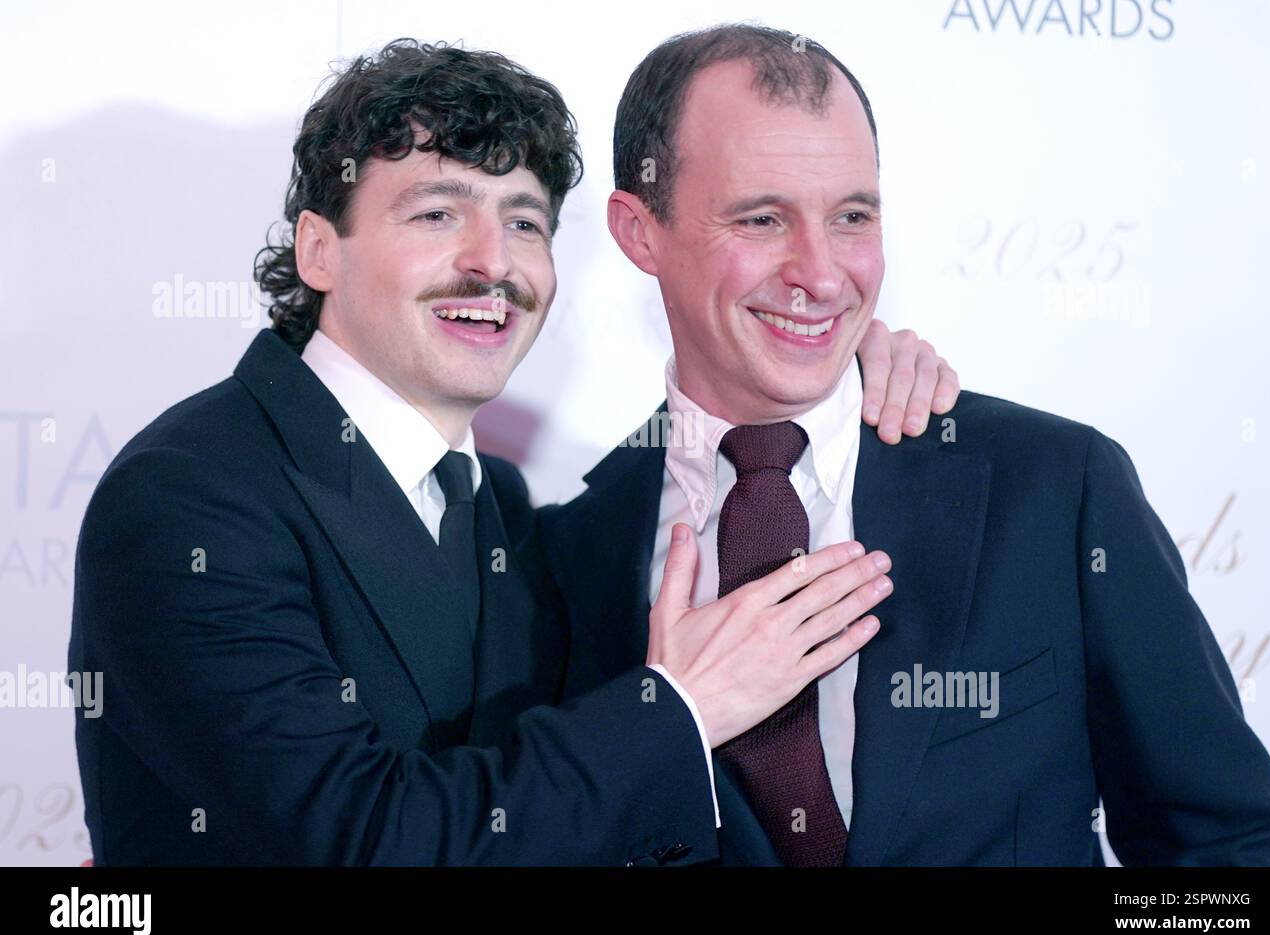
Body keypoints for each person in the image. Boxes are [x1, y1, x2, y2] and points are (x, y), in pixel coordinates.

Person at [68, 39, 949, 866]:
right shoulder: (187, 498)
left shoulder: (505, 509)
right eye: (438, 212)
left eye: (525, 223)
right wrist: (680, 709)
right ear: (318, 250)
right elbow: (359, 840)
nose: (492, 263)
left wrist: (823, 365)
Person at [537, 23, 1270, 866]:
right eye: (761, 219)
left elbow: (1235, 856)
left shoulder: (1054, 487)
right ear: (641, 231)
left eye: (852, 216)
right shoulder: (567, 555)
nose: (823, 275)